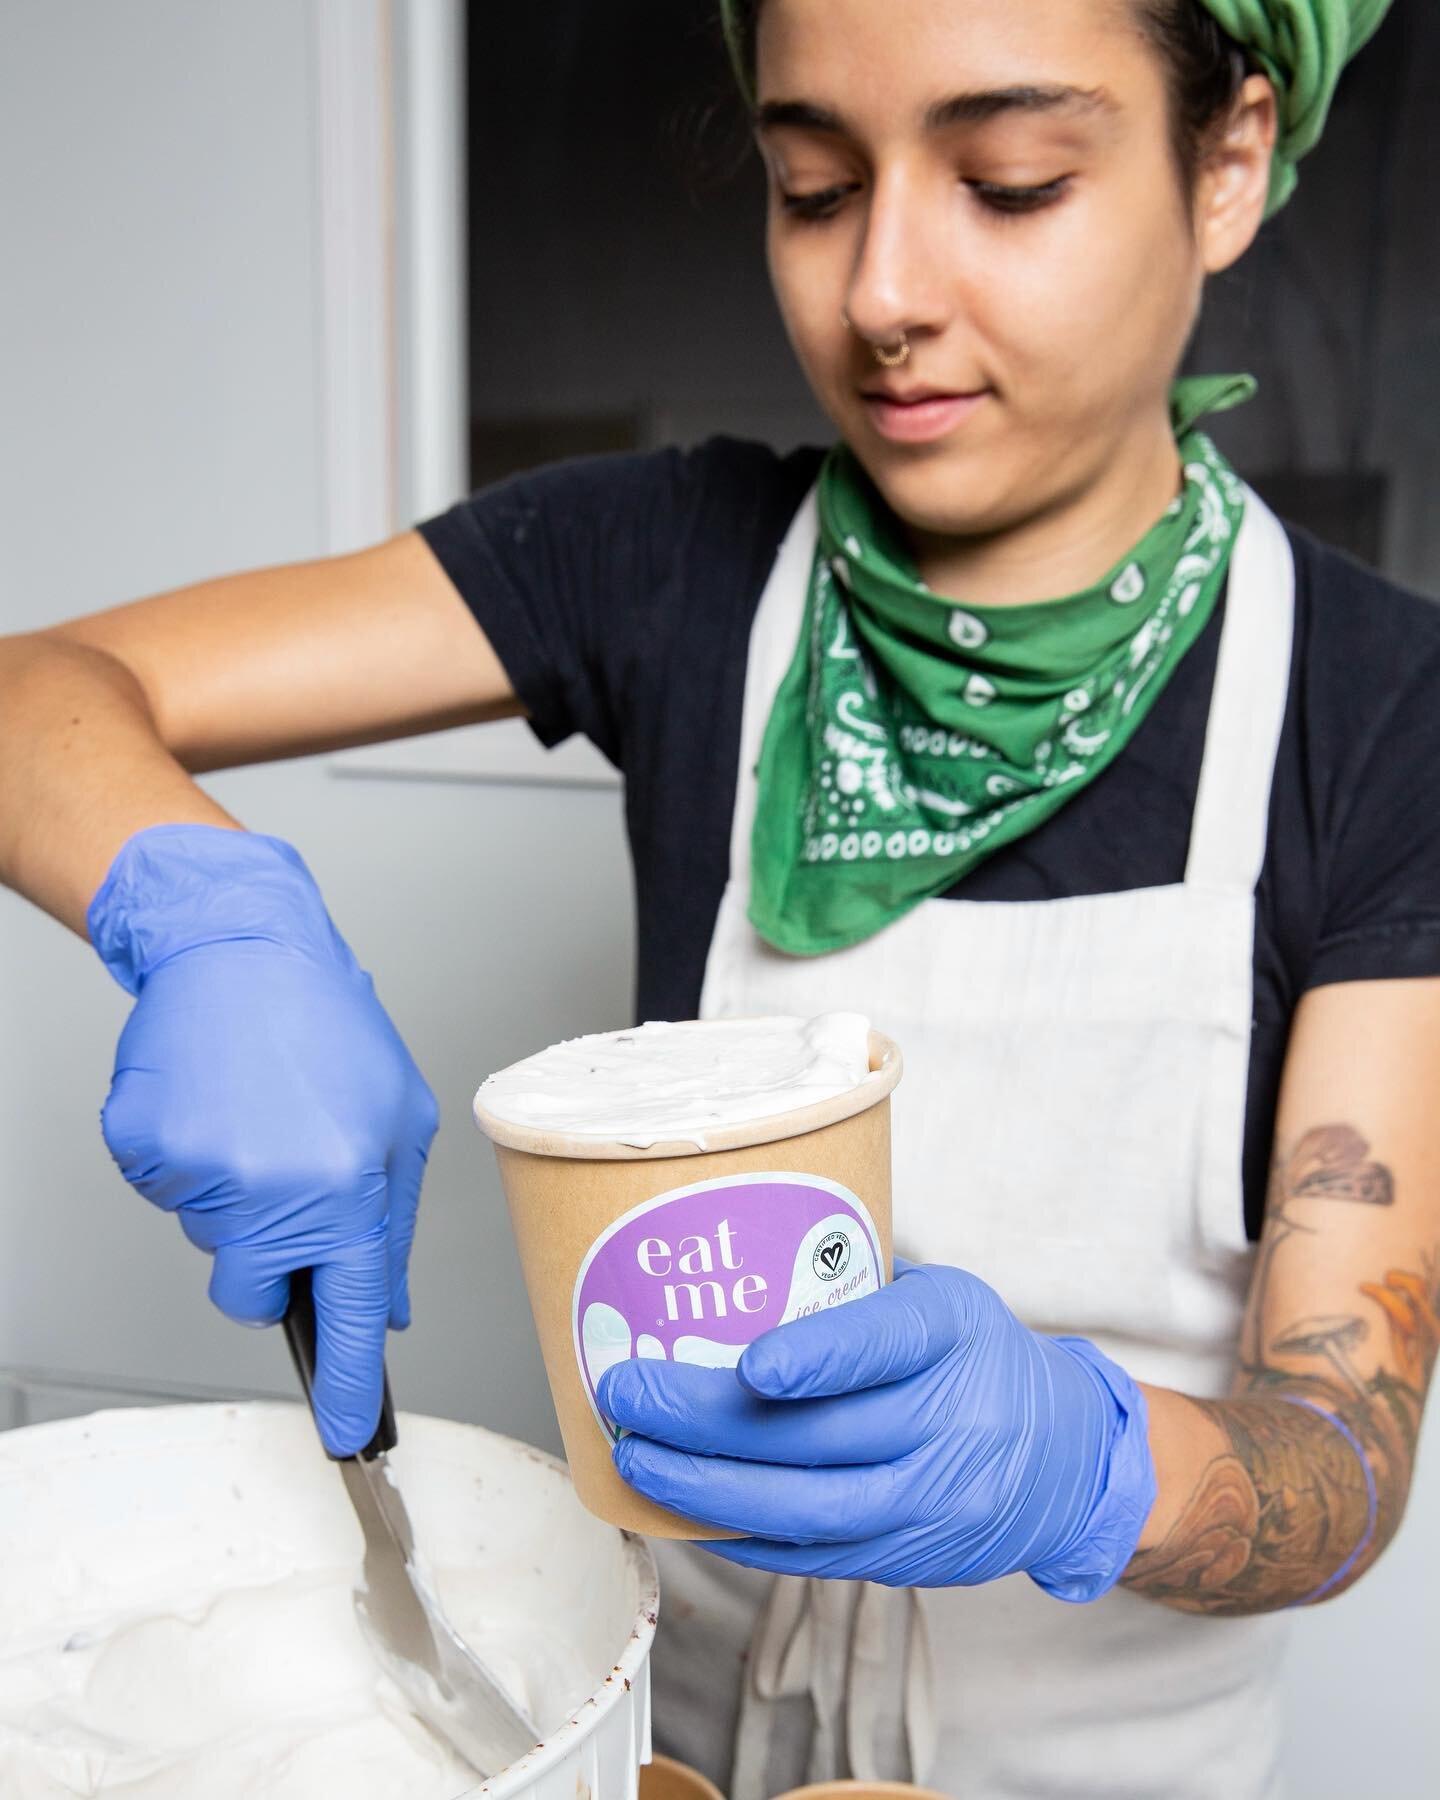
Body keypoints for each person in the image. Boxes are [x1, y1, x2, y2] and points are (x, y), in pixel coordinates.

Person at [0, 0, 1431, 1793]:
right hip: (648, 1751)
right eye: (813, 183)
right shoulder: (671, 569)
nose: (881, 291)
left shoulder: (1378, 713)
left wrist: (1087, 1464)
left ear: (1227, 162)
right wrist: (208, 914)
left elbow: (1342, 1458)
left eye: (1007, 181)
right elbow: (28, 689)